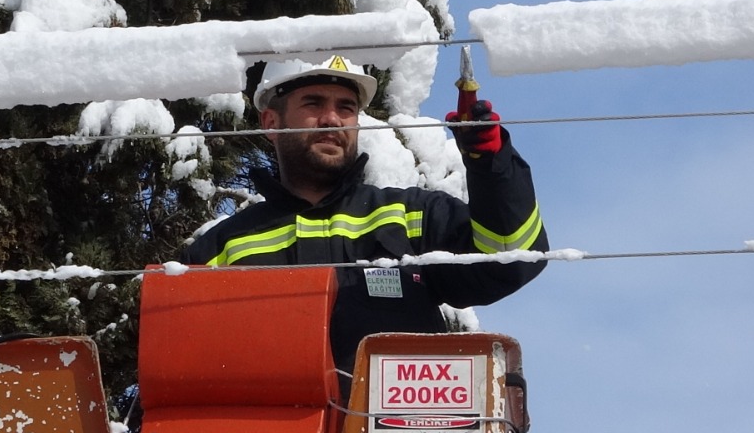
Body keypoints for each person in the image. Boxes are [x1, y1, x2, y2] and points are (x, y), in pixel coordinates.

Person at [180, 54, 548, 381]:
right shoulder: (221, 248)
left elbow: (510, 259)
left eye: (346, 107)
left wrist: (491, 165)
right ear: (271, 122)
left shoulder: (409, 215)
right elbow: (181, 362)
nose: (331, 119)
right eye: (313, 103)